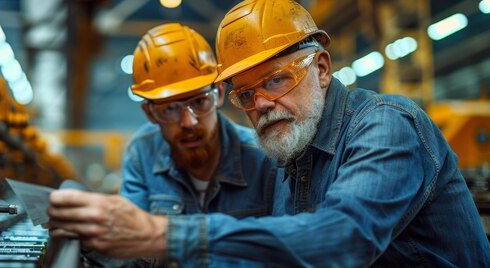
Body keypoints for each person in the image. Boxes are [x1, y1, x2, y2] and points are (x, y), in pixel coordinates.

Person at [48, 1, 490, 266]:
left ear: (321, 69)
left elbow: (344, 239)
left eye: (276, 80)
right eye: (245, 93)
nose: (259, 104)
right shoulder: (290, 157)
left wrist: (163, 234)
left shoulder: (386, 126)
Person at [60, 22, 278, 266]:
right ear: (150, 113)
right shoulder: (142, 153)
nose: (188, 121)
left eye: (199, 102)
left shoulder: (264, 157)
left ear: (217, 93)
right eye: (170, 109)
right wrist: (94, 235)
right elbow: (130, 254)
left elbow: (286, 250)